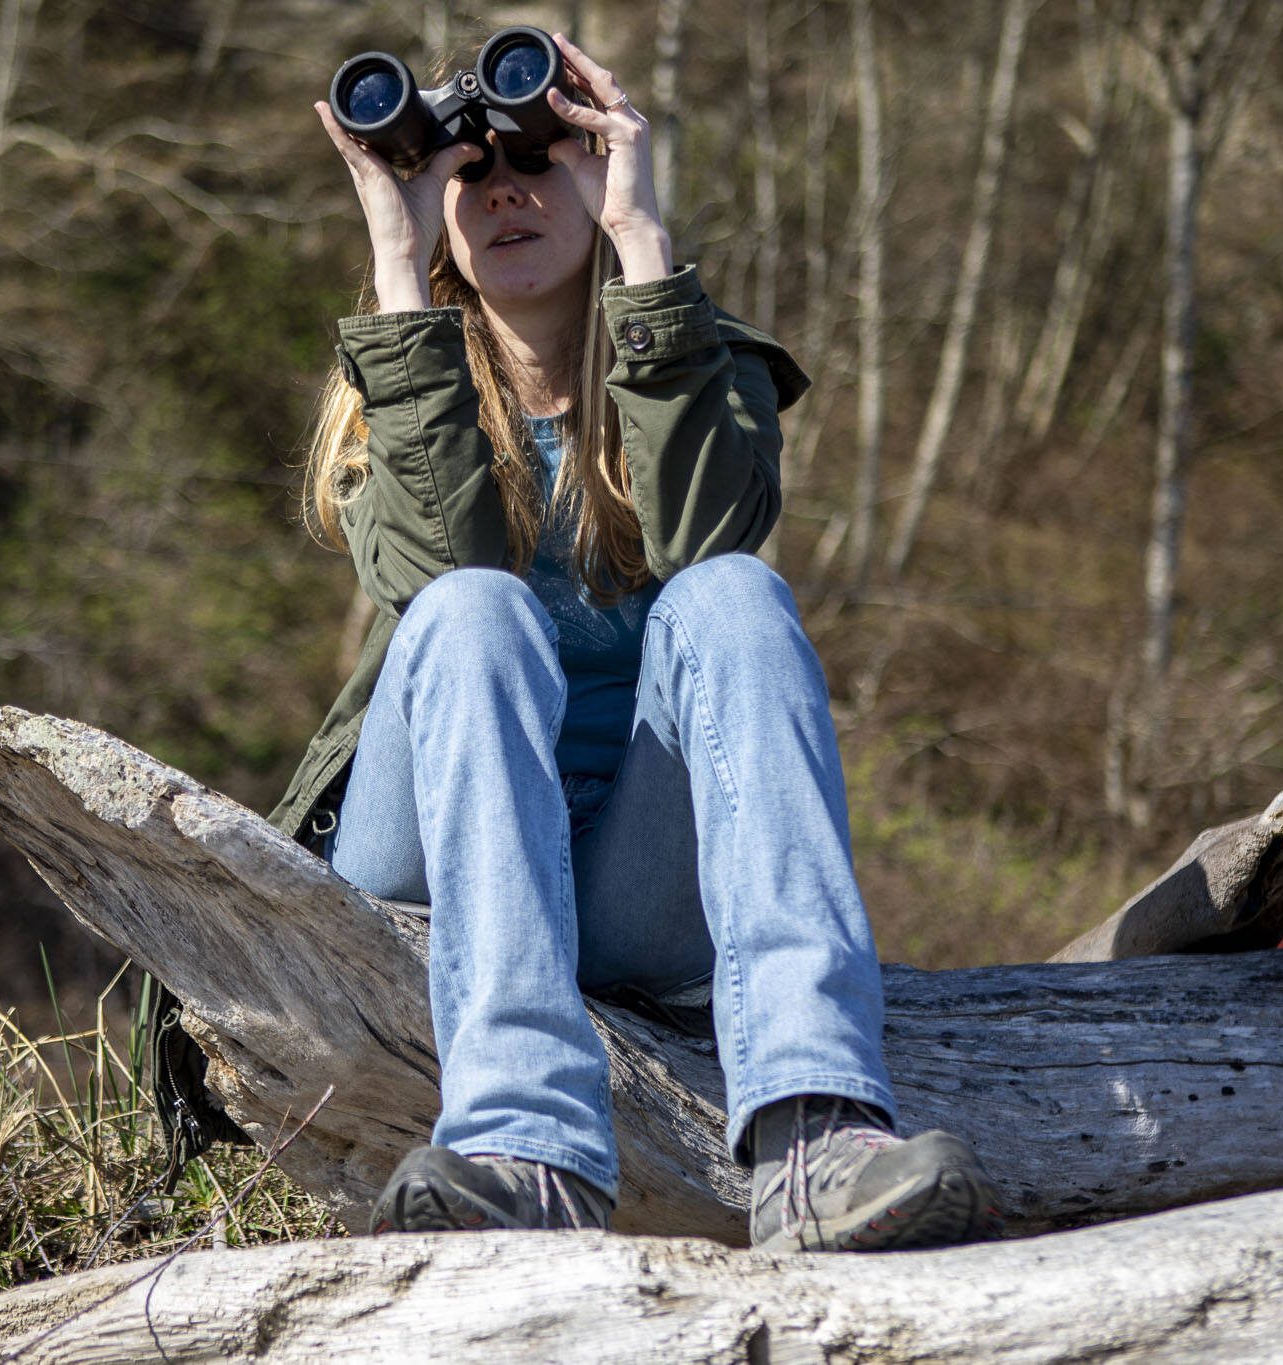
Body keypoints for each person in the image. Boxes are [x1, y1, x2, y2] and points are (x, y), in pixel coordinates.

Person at [270, 30, 1001, 1253]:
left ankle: (814, 1135)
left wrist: (642, 245)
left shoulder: (706, 365)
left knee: (730, 596)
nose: (504, 188)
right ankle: (521, 1143)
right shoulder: (392, 389)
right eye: (466, 174)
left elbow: (710, 534)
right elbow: (445, 575)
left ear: (595, 176)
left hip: (639, 883)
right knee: (469, 608)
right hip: (439, 866)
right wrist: (394, 262)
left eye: (543, 160)